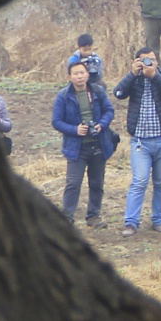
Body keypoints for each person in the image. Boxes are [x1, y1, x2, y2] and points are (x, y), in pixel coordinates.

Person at [112, 48, 161, 234]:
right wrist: (133, 74)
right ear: (137, 61)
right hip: (140, 141)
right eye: (145, 60)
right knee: (139, 181)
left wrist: (154, 76)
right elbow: (118, 93)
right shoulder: (134, 79)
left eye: (152, 59)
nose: (149, 63)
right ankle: (131, 222)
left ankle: (159, 220)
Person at [49, 59, 116, 224]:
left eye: (82, 73)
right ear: (70, 77)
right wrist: (75, 130)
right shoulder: (63, 96)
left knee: (97, 183)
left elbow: (109, 110)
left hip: (98, 143)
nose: (79, 77)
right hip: (76, 147)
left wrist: (102, 124)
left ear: (87, 74)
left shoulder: (98, 91)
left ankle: (93, 216)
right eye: (75, 73)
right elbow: (56, 121)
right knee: (73, 183)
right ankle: (67, 219)